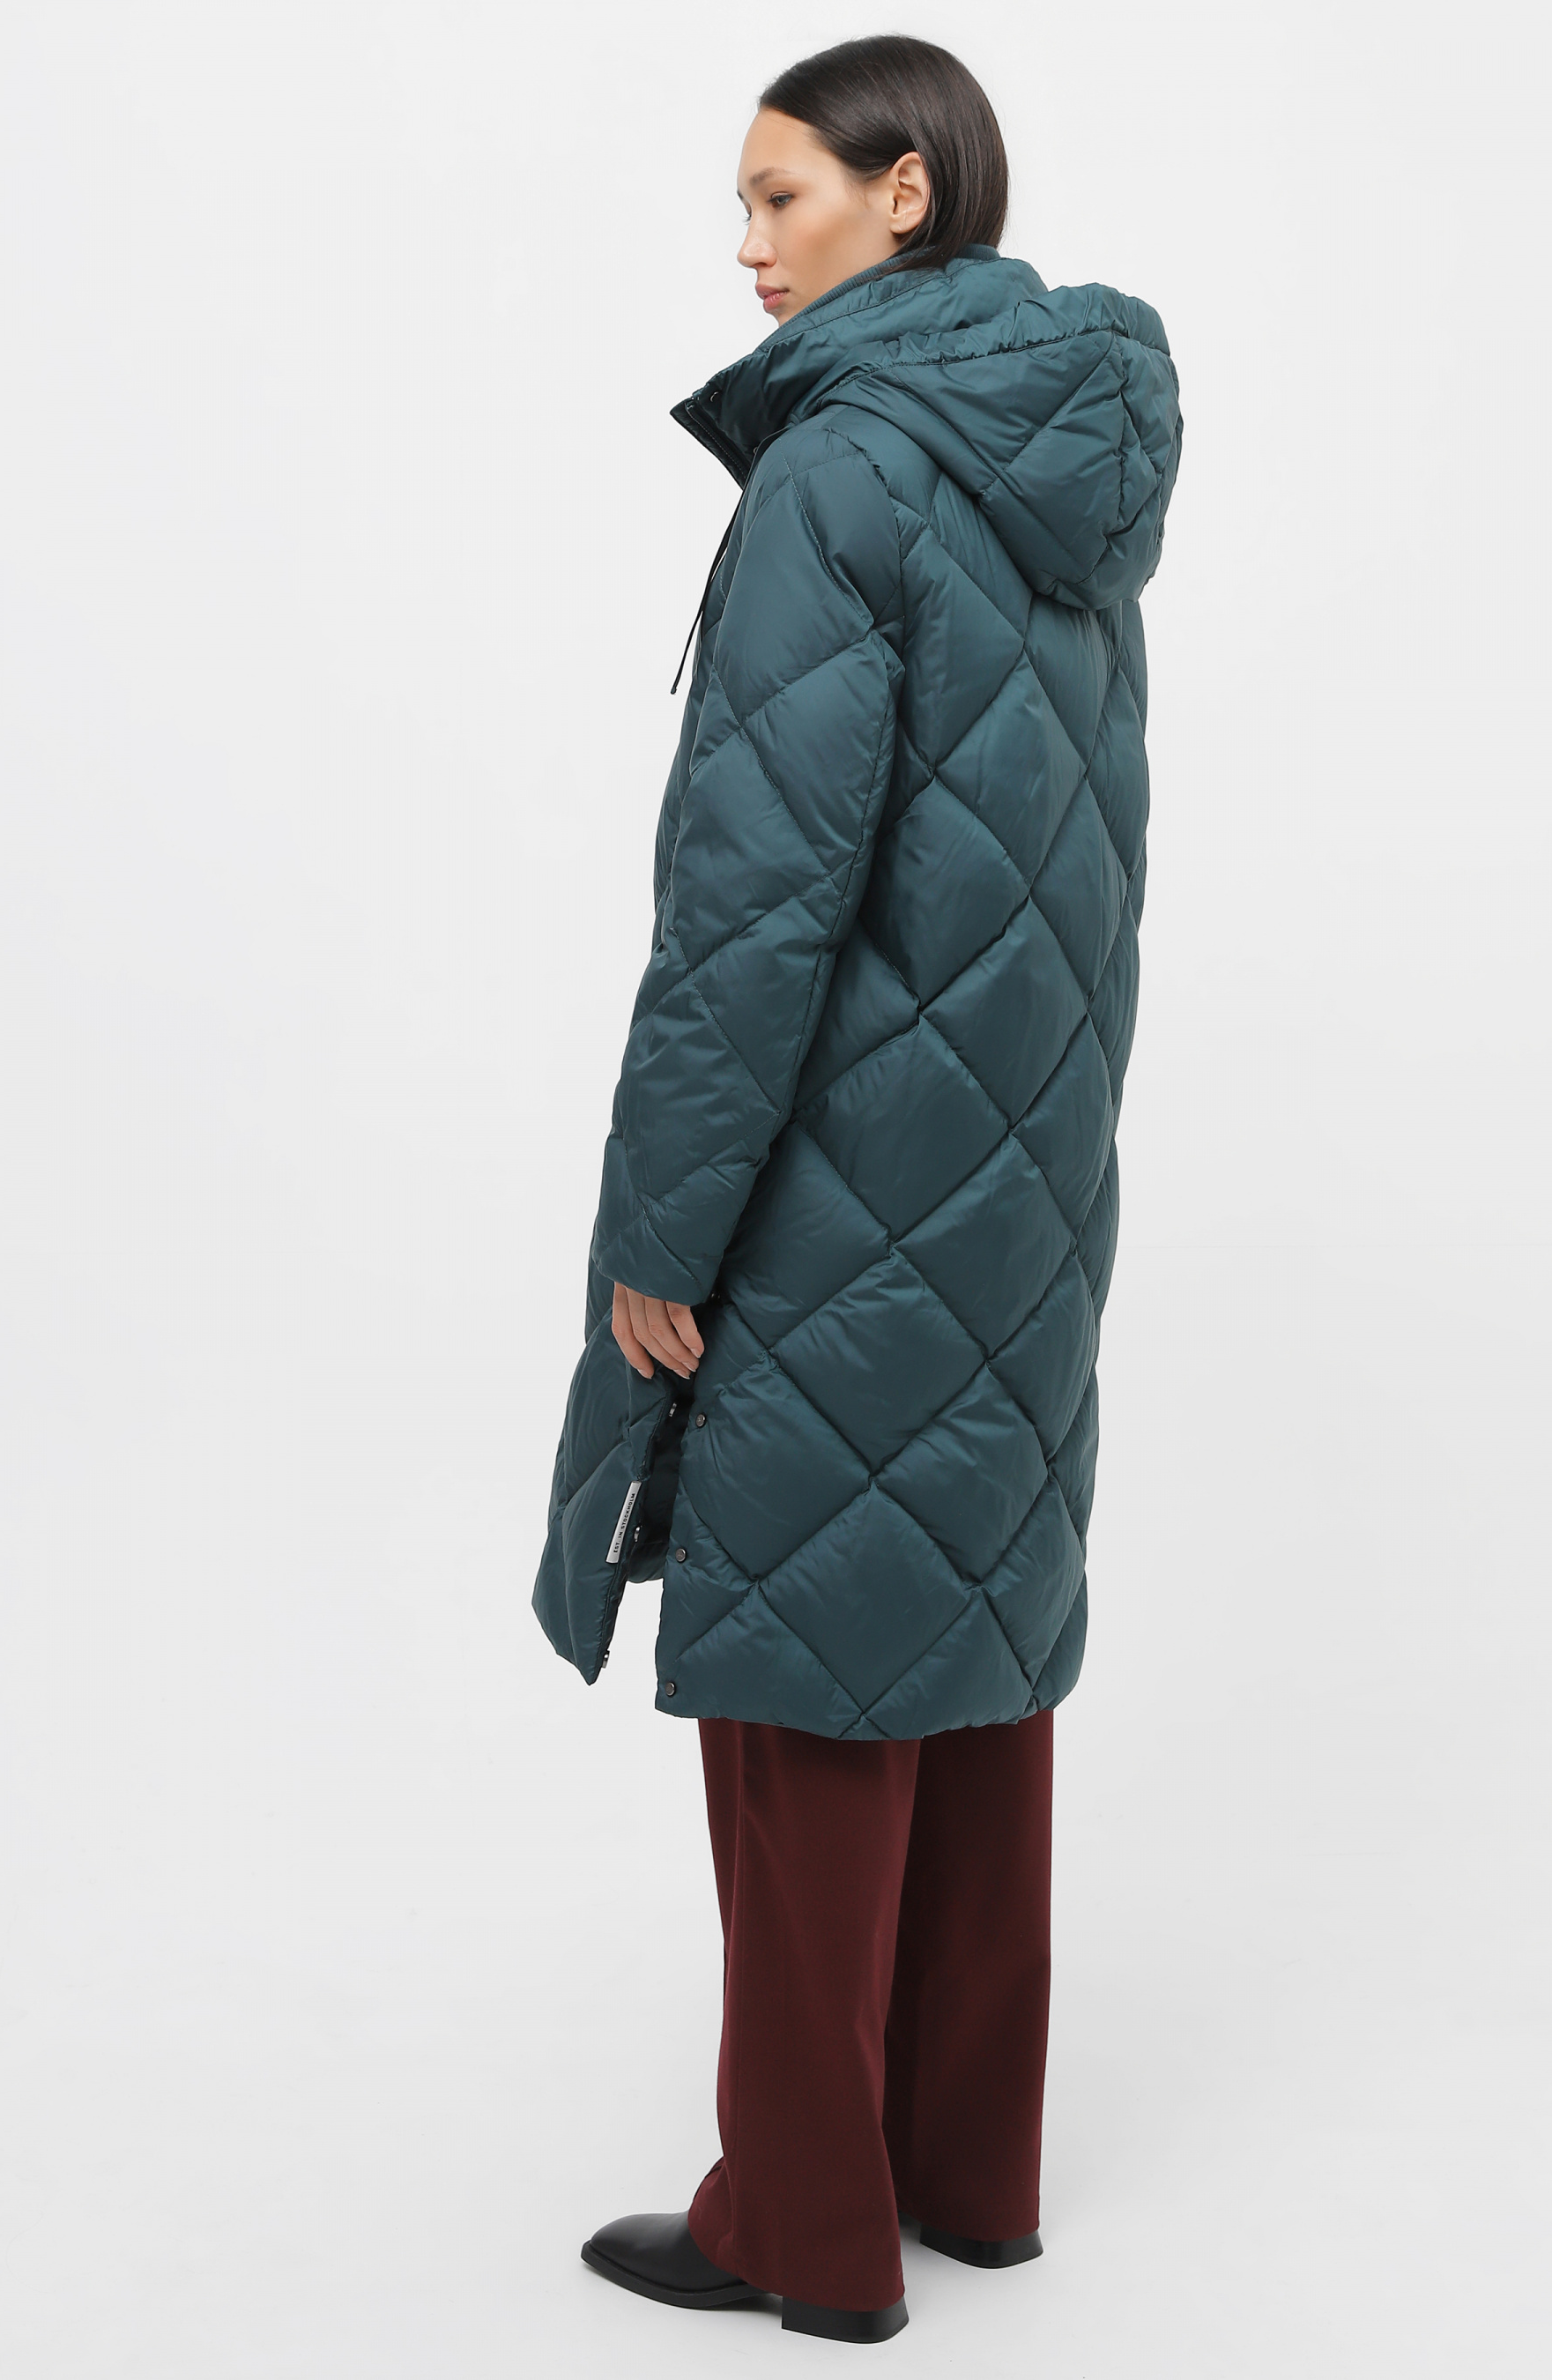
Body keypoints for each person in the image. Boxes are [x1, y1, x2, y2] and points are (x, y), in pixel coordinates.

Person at [532, 33, 1182, 2349]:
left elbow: (754, 905)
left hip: (831, 1178)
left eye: (778, 193)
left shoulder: (842, 468)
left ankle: (800, 2226)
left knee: (808, 1676)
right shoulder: (1059, 465)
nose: (745, 243)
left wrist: (662, 1234)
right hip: (1017, 1177)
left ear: (908, 195)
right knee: (970, 1647)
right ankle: (965, 2172)